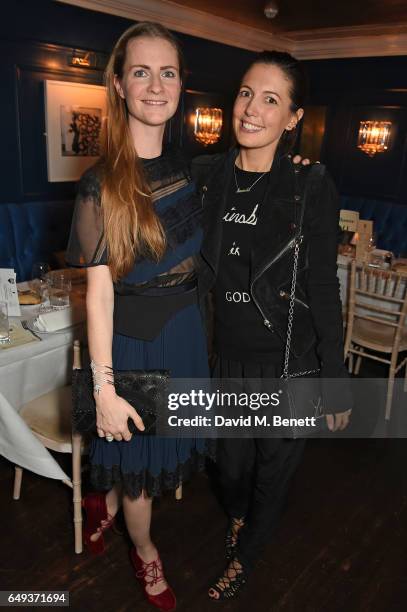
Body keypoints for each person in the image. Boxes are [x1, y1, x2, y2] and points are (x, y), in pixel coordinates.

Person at [192, 50, 352, 600]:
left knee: (274, 472)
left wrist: (335, 376)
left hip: (290, 364)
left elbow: (324, 288)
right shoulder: (205, 177)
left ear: (293, 118)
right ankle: (238, 515)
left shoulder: (310, 187)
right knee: (230, 468)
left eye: (270, 99)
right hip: (225, 360)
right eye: (244, 93)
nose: (251, 109)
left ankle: (249, 554)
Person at [66, 22, 211, 612]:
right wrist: (101, 388)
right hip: (134, 347)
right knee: (139, 468)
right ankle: (145, 551)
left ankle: (104, 504)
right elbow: (98, 296)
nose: (157, 85)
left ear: (181, 86)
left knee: (159, 456)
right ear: (120, 85)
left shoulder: (193, 167)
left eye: (168, 72)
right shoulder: (99, 185)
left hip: (186, 338)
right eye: (142, 71)